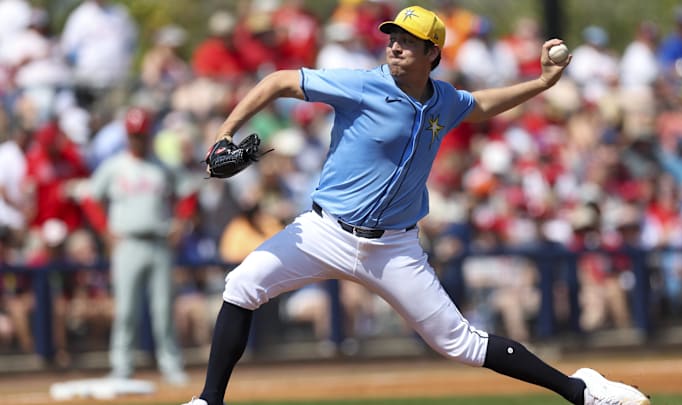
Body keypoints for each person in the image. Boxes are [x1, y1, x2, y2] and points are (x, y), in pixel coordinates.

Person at [183, 6, 650, 405]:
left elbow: (482, 104)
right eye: (393, 36)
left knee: (459, 343)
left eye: (410, 40)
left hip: (393, 249)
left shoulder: (444, 99)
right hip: (324, 232)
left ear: (433, 54)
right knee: (242, 284)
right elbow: (280, 80)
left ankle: (581, 392)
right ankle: (209, 400)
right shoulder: (361, 85)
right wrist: (225, 133)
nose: (396, 45)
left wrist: (542, 83)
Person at [82, 107, 195, 385]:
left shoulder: (162, 165)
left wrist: (180, 223)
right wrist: (104, 231)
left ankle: (170, 364)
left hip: (158, 242)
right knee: (126, 310)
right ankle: (122, 366)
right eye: (133, 135)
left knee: (163, 309)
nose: (137, 140)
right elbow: (89, 198)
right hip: (127, 243)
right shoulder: (115, 165)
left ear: (149, 134)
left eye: (141, 135)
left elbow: (189, 192)